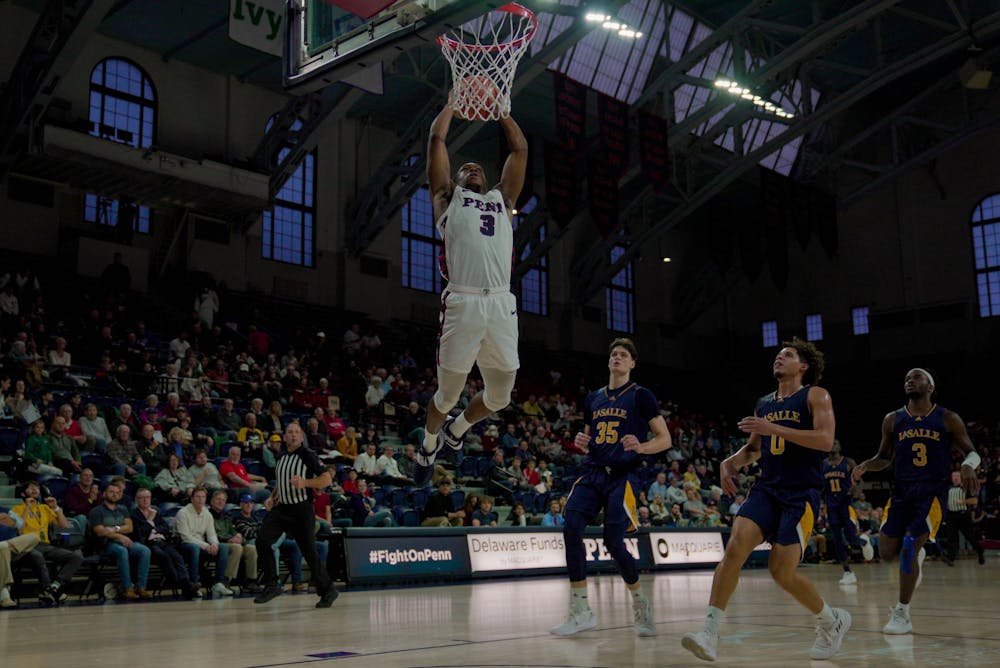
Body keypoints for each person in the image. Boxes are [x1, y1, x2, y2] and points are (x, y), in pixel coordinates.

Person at [682, 338, 850, 662]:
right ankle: (709, 633)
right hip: (767, 489)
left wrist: (774, 427)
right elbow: (755, 449)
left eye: (787, 355)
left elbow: (825, 441)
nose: (779, 357)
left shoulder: (815, 395)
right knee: (734, 548)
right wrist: (730, 462)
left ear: (803, 366)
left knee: (781, 572)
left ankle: (832, 620)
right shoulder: (764, 403)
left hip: (802, 494)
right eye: (778, 354)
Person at [412, 100, 528, 485]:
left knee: (501, 397)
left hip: (499, 301)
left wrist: (501, 112)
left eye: (478, 167)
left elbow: (520, 150)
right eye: (466, 168)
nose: (473, 168)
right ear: (456, 181)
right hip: (462, 300)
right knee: (445, 396)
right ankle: (428, 443)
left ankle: (457, 429)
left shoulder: (503, 200)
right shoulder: (447, 199)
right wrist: (451, 104)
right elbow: (436, 137)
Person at [551, 338, 671, 638]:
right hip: (593, 471)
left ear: (632, 364)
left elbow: (665, 439)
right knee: (571, 527)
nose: (617, 358)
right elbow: (590, 438)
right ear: (609, 362)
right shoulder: (593, 399)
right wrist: (582, 442)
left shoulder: (641, 396)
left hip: (624, 475)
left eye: (624, 355)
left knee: (613, 541)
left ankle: (640, 602)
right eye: (614, 354)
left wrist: (642, 446)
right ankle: (581, 611)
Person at [852, 368, 982, 635]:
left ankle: (902, 612)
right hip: (901, 493)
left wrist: (968, 465)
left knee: (909, 546)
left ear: (930, 387)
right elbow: (884, 456)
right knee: (888, 552)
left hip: (931, 493)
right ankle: (918, 556)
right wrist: (867, 464)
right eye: (907, 378)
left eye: (917, 377)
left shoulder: (947, 418)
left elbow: (972, 452)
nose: (910, 380)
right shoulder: (893, 419)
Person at [253, 423, 338, 607]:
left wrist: (305, 482)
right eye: (289, 432)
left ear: (301, 437)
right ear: (284, 437)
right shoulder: (282, 456)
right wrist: (272, 496)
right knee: (262, 540)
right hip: (281, 508)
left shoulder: (308, 455)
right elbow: (282, 481)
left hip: (301, 510)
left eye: (296, 433)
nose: (293, 435)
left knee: (309, 552)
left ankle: (328, 590)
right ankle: (272, 584)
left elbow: (326, 479)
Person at [13, 481, 84, 604]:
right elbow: (18, 529)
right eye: (31, 488)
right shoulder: (16, 509)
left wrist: (56, 508)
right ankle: (47, 589)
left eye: (37, 487)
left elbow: (64, 525)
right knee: (37, 556)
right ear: (23, 494)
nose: (35, 489)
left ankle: (55, 586)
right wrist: (27, 508)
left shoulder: (44, 508)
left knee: (76, 557)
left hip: (45, 545)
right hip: (27, 546)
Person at [88, 478, 152, 600]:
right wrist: (119, 535)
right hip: (106, 545)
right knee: (121, 551)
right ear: (104, 494)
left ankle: (141, 587)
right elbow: (100, 531)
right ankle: (127, 588)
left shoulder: (123, 509)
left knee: (145, 550)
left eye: (117, 492)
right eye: (111, 492)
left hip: (124, 541)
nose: (115, 494)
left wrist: (115, 529)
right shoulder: (96, 511)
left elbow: (130, 527)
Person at [131, 487, 200, 599]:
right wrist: (150, 521)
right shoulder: (134, 515)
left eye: (147, 497)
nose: (145, 500)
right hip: (149, 544)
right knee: (164, 556)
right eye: (142, 498)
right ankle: (181, 584)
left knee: (177, 557)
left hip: (162, 541)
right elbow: (140, 533)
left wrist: (154, 529)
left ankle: (185, 582)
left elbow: (165, 527)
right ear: (136, 500)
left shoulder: (155, 511)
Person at [822, 440, 873, 585]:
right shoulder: (823, 464)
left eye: (836, 443)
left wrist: (854, 490)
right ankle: (847, 572)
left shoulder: (849, 462)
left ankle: (863, 541)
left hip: (846, 504)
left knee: (851, 537)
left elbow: (860, 482)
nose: (833, 444)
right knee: (837, 539)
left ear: (840, 446)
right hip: (832, 506)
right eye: (830, 442)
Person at [943, 470, 986, 565]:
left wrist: (963, 501)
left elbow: (974, 501)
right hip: (951, 515)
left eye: (957, 476)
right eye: (953, 476)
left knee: (970, 537)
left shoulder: (966, 488)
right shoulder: (948, 488)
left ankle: (980, 551)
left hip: (963, 515)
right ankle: (951, 558)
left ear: (961, 477)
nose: (955, 478)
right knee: (951, 537)